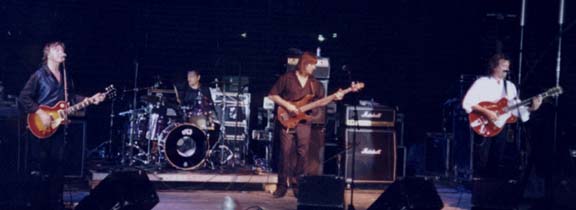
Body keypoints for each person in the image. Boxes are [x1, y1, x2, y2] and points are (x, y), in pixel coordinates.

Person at [18, 41, 105, 210]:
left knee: (57, 170)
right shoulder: (39, 75)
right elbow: (24, 97)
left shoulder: (65, 76)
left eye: (63, 49)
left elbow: (70, 100)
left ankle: (55, 205)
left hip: (57, 128)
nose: (62, 51)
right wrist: (41, 113)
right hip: (40, 128)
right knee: (41, 170)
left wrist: (90, 99)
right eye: (57, 49)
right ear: (48, 54)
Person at [268, 51, 342, 198]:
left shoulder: (315, 84)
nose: (314, 68)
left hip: (303, 123)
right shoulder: (287, 78)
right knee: (285, 153)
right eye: (312, 65)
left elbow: (321, 101)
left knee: (303, 154)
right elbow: (272, 95)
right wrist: (288, 106)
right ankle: (282, 186)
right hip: (286, 119)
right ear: (304, 64)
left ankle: (297, 184)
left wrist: (335, 97)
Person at [462, 53, 542, 180]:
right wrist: (487, 112)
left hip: (501, 126)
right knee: (482, 158)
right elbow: (467, 103)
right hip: (483, 123)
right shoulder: (482, 82)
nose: (507, 69)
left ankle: (491, 188)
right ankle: (477, 187)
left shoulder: (510, 86)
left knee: (496, 159)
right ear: (494, 67)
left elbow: (516, 110)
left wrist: (531, 108)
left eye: (508, 66)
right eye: (504, 65)